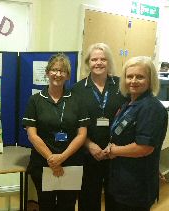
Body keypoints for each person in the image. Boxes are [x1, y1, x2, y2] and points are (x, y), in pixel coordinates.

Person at [22, 53, 89, 211]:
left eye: (62, 71)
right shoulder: (35, 100)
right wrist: (52, 159)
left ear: (68, 76)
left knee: (68, 205)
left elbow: (82, 134)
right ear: (47, 72)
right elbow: (32, 135)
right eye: (54, 70)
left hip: (71, 164)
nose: (58, 74)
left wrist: (62, 158)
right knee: (46, 205)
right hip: (43, 164)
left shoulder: (77, 100)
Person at [107, 56, 168, 211]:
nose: (133, 81)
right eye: (129, 76)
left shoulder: (151, 108)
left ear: (150, 80)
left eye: (140, 77)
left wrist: (113, 151)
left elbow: (144, 148)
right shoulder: (129, 103)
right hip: (120, 181)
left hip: (136, 187)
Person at [72, 43, 125, 211]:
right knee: (88, 198)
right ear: (88, 62)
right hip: (88, 153)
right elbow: (72, 123)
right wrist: (89, 145)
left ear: (109, 62)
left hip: (116, 153)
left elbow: (128, 118)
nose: (99, 63)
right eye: (94, 59)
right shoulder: (77, 89)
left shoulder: (121, 86)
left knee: (115, 198)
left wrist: (114, 148)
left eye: (103, 59)